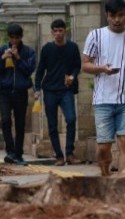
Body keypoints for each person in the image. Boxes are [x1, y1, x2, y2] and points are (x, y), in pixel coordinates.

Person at [82, 0, 125, 176]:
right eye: (113, 16)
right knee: (104, 146)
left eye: (121, 15)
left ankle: (122, 184)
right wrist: (102, 68)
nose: (117, 20)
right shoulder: (95, 36)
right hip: (103, 100)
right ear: (107, 16)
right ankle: (105, 175)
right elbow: (85, 65)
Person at [35, 19, 82, 166]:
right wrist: (37, 88)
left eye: (60, 30)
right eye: (55, 31)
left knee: (71, 119)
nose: (58, 34)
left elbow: (77, 66)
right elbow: (40, 69)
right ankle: (59, 156)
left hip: (66, 89)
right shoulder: (47, 49)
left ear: (65, 31)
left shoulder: (73, 47)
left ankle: (69, 153)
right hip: (49, 90)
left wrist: (73, 76)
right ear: (51, 32)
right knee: (52, 124)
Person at [0, 23, 36, 166]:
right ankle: (10, 152)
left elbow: (29, 70)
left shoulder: (28, 51)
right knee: (5, 120)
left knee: (20, 124)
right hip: (4, 92)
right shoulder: (0, 51)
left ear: (21, 37)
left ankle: (18, 154)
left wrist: (18, 58)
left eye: (17, 38)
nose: (14, 41)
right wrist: (3, 58)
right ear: (9, 37)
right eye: (12, 38)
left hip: (21, 92)